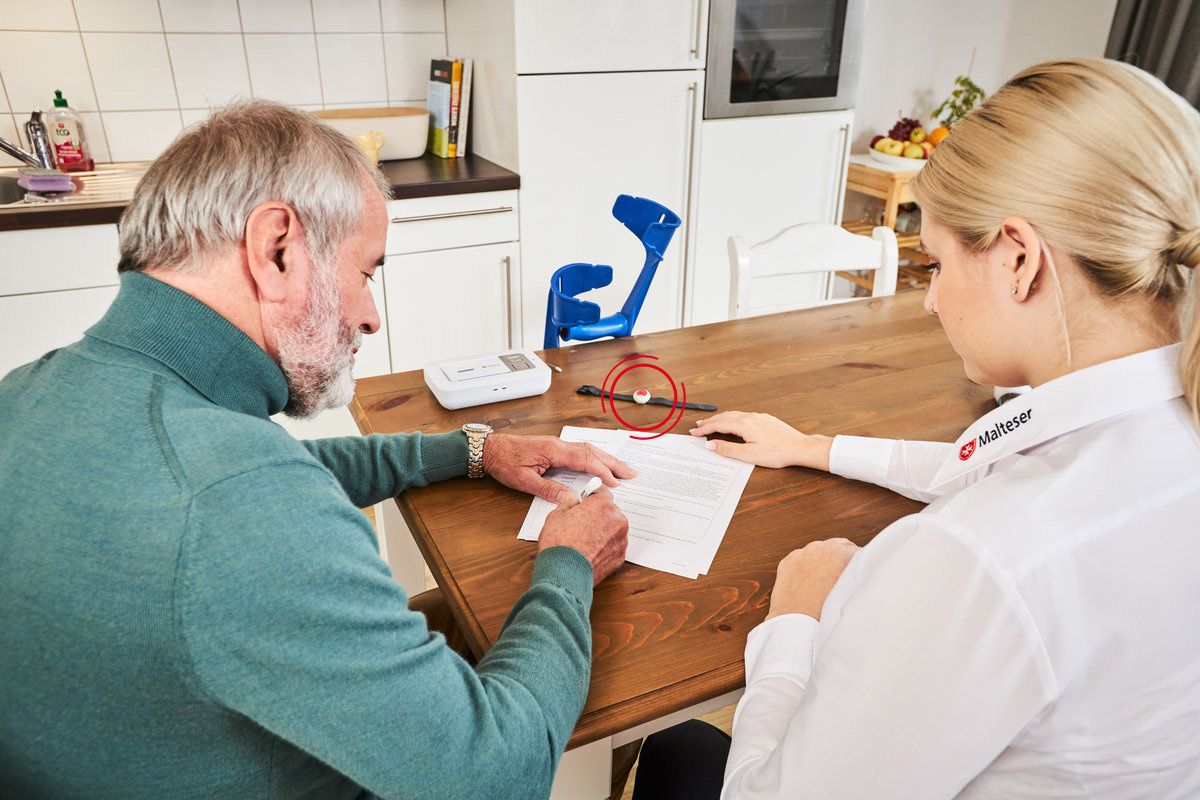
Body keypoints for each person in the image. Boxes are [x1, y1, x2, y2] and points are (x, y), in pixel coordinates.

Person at [0, 101, 634, 799]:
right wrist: (567, 566)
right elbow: (498, 775)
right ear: (277, 248)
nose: (369, 314)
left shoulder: (31, 393)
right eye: (366, 271)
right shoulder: (238, 503)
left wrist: (472, 451)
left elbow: (273, 478)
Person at [634, 58, 1200, 799]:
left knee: (674, 746)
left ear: (1020, 260)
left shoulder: (981, 559)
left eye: (934, 264)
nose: (931, 302)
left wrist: (796, 619)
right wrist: (811, 447)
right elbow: (981, 460)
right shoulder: (1154, 429)